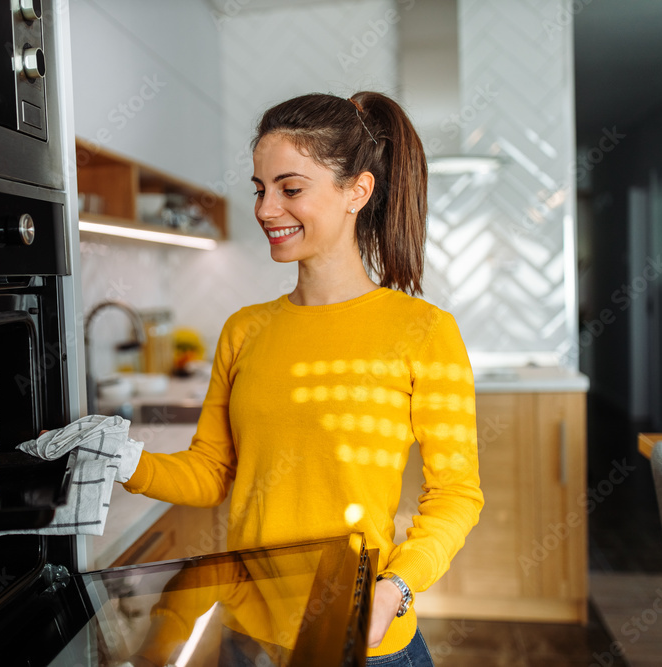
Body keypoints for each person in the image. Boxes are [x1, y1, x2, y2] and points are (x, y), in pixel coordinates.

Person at [120, 91, 484, 666]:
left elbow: (456, 495)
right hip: (248, 639)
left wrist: (397, 588)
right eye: (260, 189)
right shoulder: (245, 330)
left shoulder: (423, 331)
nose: (266, 209)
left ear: (356, 192)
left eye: (290, 189)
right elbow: (214, 473)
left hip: (361, 641)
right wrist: (124, 463)